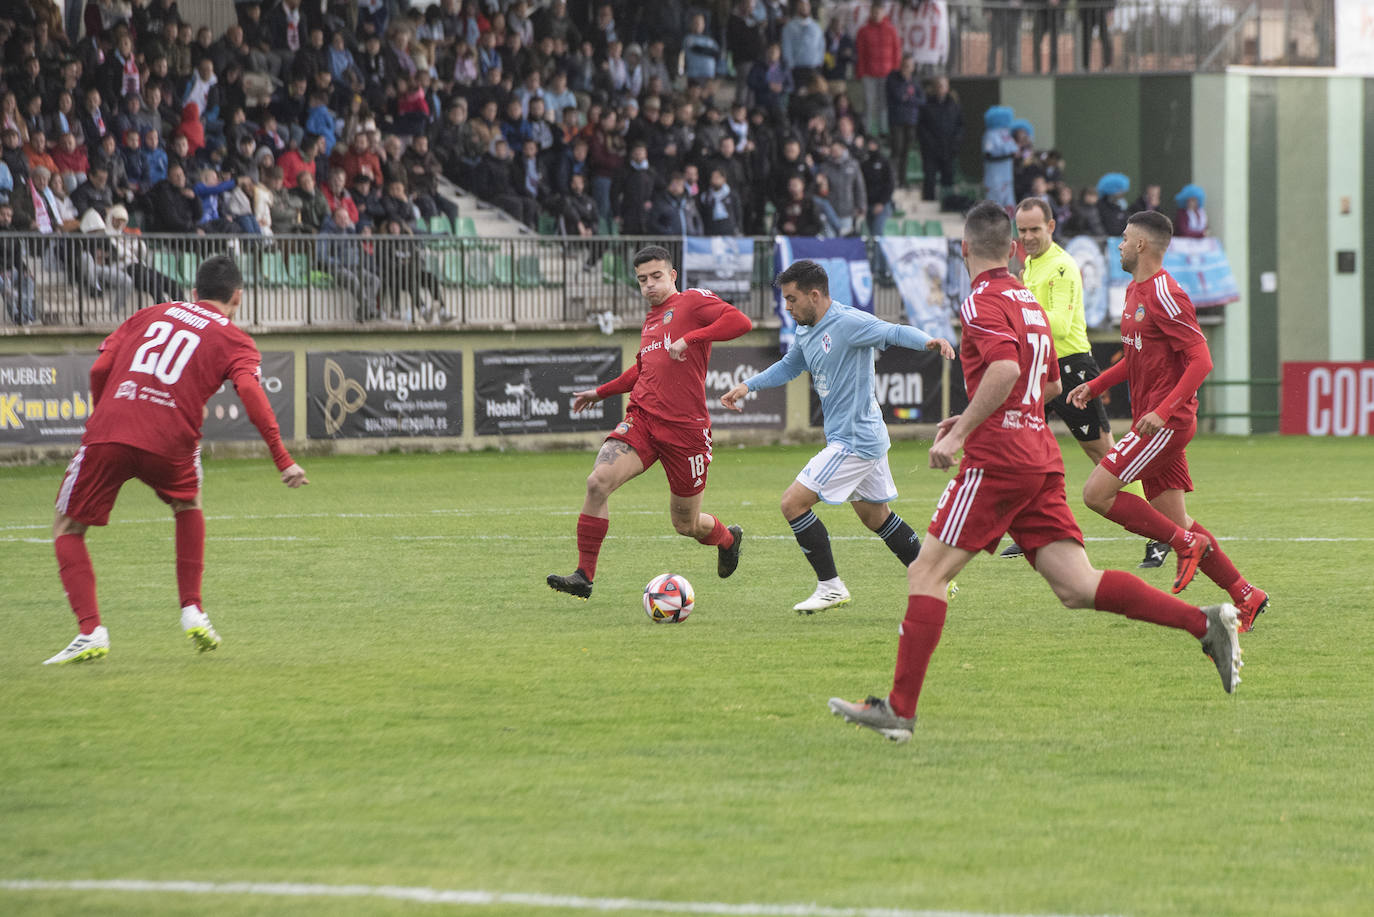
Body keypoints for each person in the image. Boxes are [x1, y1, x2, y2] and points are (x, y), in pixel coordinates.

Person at [827, 201, 1244, 743]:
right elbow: (1043, 387)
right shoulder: (1027, 300)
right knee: (1077, 585)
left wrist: (960, 432)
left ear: (964, 249)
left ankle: (899, 711)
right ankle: (1205, 622)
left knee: (926, 573)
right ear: (1015, 249)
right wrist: (974, 412)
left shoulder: (980, 299)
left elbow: (1003, 370)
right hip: (1039, 455)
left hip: (999, 459)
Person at [44, 255, 309, 665]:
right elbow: (252, 395)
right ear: (237, 296)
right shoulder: (235, 339)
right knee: (188, 504)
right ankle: (192, 609)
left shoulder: (151, 313)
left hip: (111, 430)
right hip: (171, 440)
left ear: (193, 292)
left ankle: (90, 631)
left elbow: (100, 368)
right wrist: (282, 458)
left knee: (67, 526)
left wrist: (104, 415)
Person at [1067, 210, 1269, 632]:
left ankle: (1183, 545)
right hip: (1154, 421)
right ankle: (1246, 595)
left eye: (1124, 238)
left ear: (1142, 245)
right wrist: (1096, 385)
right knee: (1179, 520)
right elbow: (1134, 358)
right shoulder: (1134, 290)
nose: (1119, 245)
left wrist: (1163, 411)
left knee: (1096, 493)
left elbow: (1201, 360)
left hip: (1167, 424)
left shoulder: (1166, 293)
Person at [720, 260, 955, 612]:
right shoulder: (806, 327)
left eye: (792, 299)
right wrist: (747, 385)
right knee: (875, 517)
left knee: (792, 504)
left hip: (855, 441)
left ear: (815, 295)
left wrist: (928, 342)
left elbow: (891, 332)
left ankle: (830, 587)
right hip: (860, 437)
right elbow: (790, 365)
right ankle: (934, 576)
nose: (787, 307)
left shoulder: (847, 323)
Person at [547, 245, 754, 601]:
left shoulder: (692, 302)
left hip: (685, 431)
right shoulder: (652, 319)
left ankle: (727, 538)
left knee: (686, 524)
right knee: (597, 482)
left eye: (656, 276)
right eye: (642, 280)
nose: (649, 285)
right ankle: (584, 575)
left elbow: (741, 322)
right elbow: (643, 369)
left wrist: (691, 338)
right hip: (642, 420)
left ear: (673, 275)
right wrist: (600, 392)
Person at [1002, 198, 1169, 567]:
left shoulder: (1061, 266)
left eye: (1034, 229)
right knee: (1025, 450)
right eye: (1022, 230)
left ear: (1050, 226)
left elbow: (1059, 326)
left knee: (1108, 457)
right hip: (1041, 370)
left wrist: (1017, 304)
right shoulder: (1030, 265)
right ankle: (1033, 532)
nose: (1027, 237)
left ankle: (1159, 536)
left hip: (1072, 369)